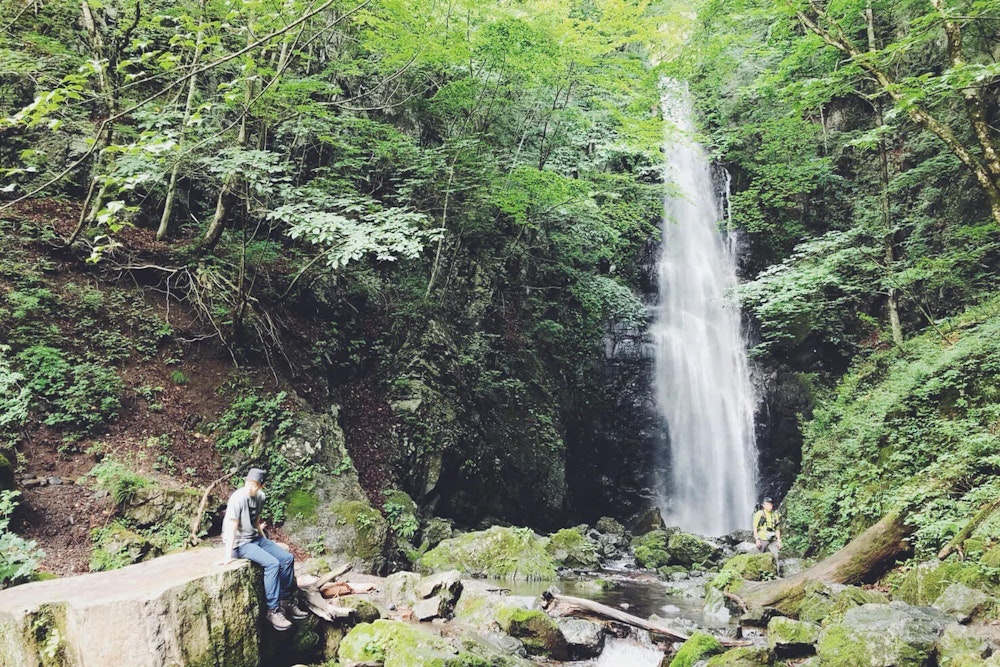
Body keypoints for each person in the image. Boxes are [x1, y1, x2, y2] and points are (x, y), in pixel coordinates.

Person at [222, 467, 307, 631]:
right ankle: (273, 611)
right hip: (239, 544)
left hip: (256, 538)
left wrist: (266, 542)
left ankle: (285, 601)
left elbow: (256, 521)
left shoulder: (260, 496)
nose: (250, 487)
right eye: (248, 483)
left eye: (254, 485)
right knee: (272, 564)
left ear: (261, 486)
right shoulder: (237, 499)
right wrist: (227, 556)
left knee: (287, 558)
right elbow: (231, 527)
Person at [753, 496, 782, 576]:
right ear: (764, 505)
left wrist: (779, 540)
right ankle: (758, 575)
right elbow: (755, 527)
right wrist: (757, 539)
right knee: (759, 557)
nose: (770, 506)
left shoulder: (775, 515)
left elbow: (777, 529)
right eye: (768, 504)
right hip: (762, 538)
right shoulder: (759, 514)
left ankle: (777, 574)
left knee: (776, 556)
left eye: (771, 504)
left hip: (772, 539)